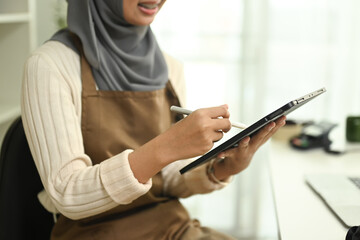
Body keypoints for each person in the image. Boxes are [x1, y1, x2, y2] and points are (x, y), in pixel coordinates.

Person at [21, 0, 286, 239]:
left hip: (172, 228)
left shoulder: (169, 67)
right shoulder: (50, 65)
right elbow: (67, 194)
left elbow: (166, 178)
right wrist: (166, 147)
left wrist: (221, 169)